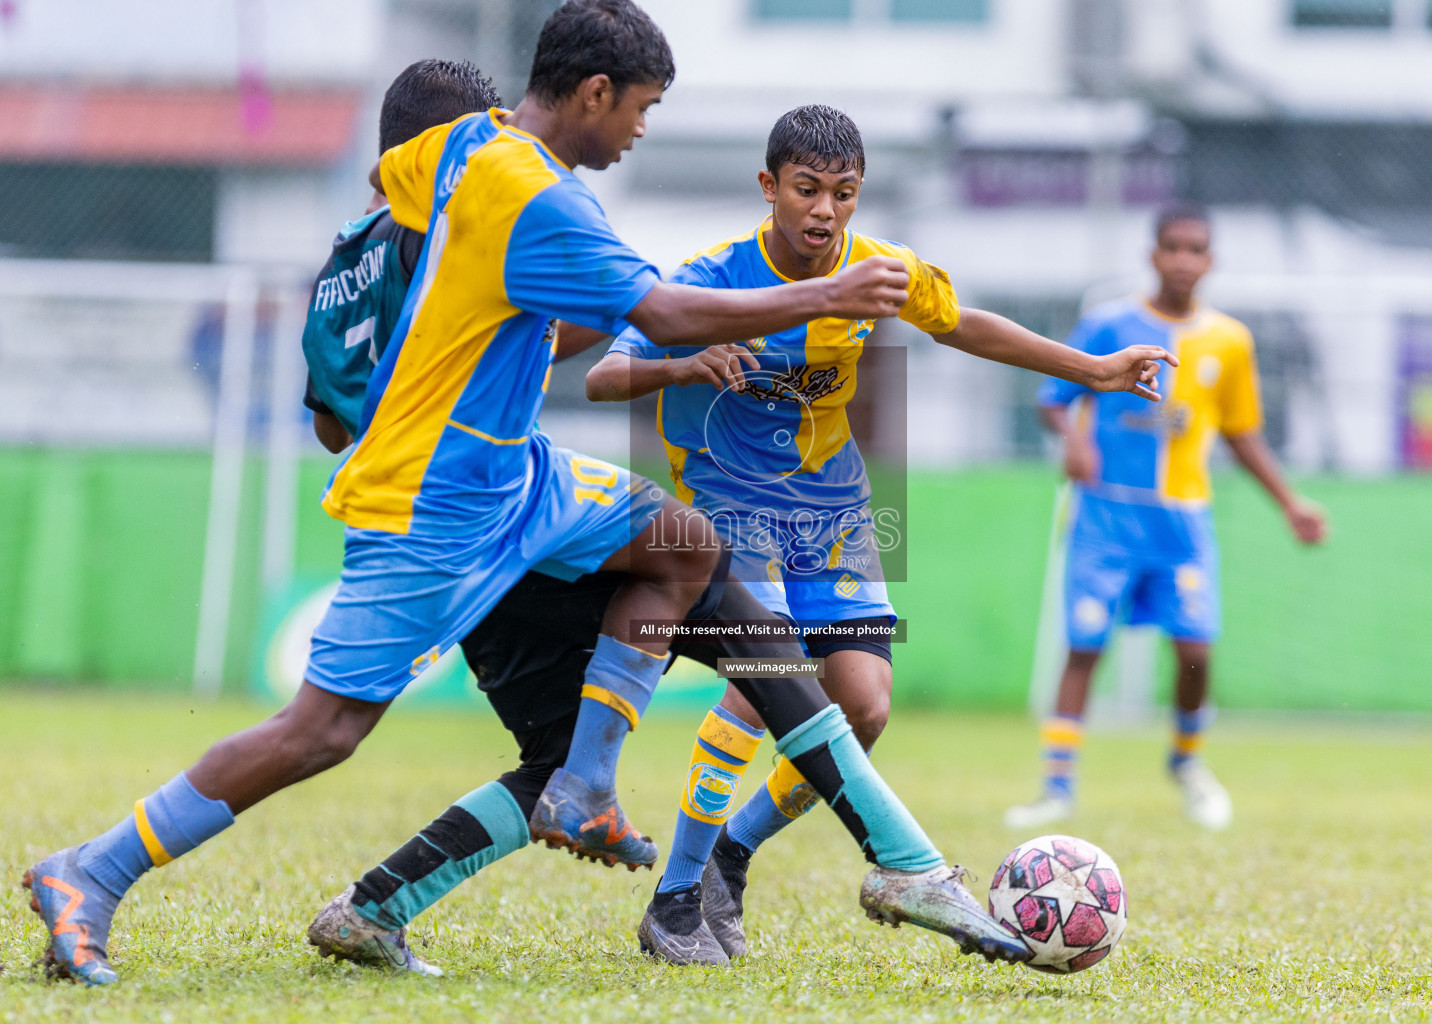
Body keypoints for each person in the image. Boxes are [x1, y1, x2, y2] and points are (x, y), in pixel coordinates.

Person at [21, 2, 1034, 986]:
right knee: (319, 731)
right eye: (639, 108)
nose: (641, 130)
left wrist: (435, 293)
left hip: (523, 472)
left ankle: (606, 792)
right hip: (434, 500)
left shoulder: (463, 144)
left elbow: (391, 177)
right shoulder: (541, 198)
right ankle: (93, 868)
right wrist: (825, 293)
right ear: (594, 92)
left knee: (684, 545)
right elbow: (665, 313)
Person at [585, 104, 1177, 965]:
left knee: (862, 706)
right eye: (807, 190)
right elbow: (605, 374)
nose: (824, 211)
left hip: (835, 512)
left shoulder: (877, 270)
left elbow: (962, 322)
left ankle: (731, 853)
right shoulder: (711, 277)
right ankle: (676, 900)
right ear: (770, 188)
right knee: (765, 676)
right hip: (731, 505)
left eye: (844, 193)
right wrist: (683, 362)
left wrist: (1091, 370)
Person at [1003, 202, 1328, 834]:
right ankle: (1056, 787)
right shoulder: (1108, 325)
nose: (1183, 259)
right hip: (1106, 517)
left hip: (1182, 524)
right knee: (1085, 646)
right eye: (1172, 247)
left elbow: (1243, 433)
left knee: (1196, 651)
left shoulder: (1230, 341)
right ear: (1153, 255)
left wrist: (1292, 504)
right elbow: (1053, 398)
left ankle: (1186, 764)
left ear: (1210, 261)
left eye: (1195, 249)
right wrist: (1071, 437)